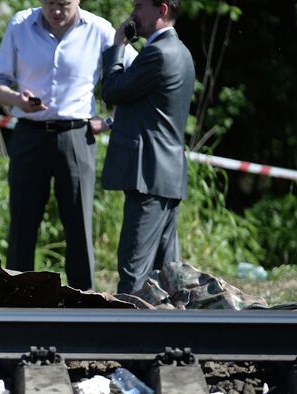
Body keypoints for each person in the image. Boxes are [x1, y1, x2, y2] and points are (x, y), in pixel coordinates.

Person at [0, 0, 135, 290]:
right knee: (21, 225)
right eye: (49, 3)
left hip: (76, 135)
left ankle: (83, 305)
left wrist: (109, 121)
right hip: (29, 133)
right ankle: (17, 302)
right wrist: (18, 99)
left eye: (64, 4)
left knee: (78, 226)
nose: (55, 10)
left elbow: (136, 73)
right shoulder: (20, 25)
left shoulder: (99, 29)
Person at [101, 0, 195, 295]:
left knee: (134, 273)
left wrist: (118, 44)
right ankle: (170, 338)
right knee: (167, 276)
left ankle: (127, 338)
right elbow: (154, 113)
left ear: (162, 10)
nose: (133, 14)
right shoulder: (181, 52)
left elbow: (113, 89)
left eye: (140, 6)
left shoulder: (157, 53)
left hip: (149, 175)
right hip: (166, 176)